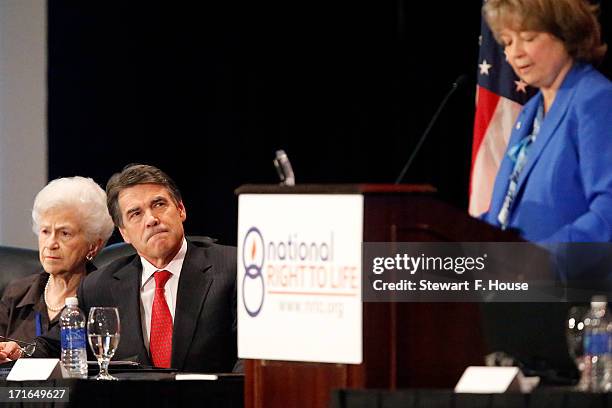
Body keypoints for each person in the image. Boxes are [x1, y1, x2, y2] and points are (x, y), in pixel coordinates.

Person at [2, 164, 239, 372]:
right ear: (124, 232)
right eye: (136, 213)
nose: (151, 219)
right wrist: (20, 352)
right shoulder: (99, 287)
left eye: (159, 204)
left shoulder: (231, 268)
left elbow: (252, 356)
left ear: (180, 210)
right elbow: (58, 345)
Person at [481, 0, 612, 242]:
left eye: (528, 38)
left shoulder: (596, 99)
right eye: (507, 42)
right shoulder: (529, 112)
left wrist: (542, 262)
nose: (515, 53)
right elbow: (503, 213)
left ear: (566, 34)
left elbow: (608, 210)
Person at [0, 177, 113, 344]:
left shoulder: (104, 299)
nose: (51, 244)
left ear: (93, 246)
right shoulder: (17, 294)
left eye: (65, 233)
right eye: (45, 231)